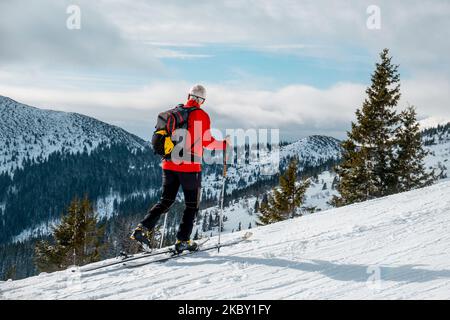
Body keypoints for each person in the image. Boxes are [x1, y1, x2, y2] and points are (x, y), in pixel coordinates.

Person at [131, 84, 229, 253]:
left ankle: (142, 229)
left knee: (166, 200)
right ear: (202, 100)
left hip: (169, 164)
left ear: (188, 96)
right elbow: (207, 141)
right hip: (190, 167)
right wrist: (224, 144)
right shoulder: (201, 115)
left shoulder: (175, 113)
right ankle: (183, 240)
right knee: (191, 206)